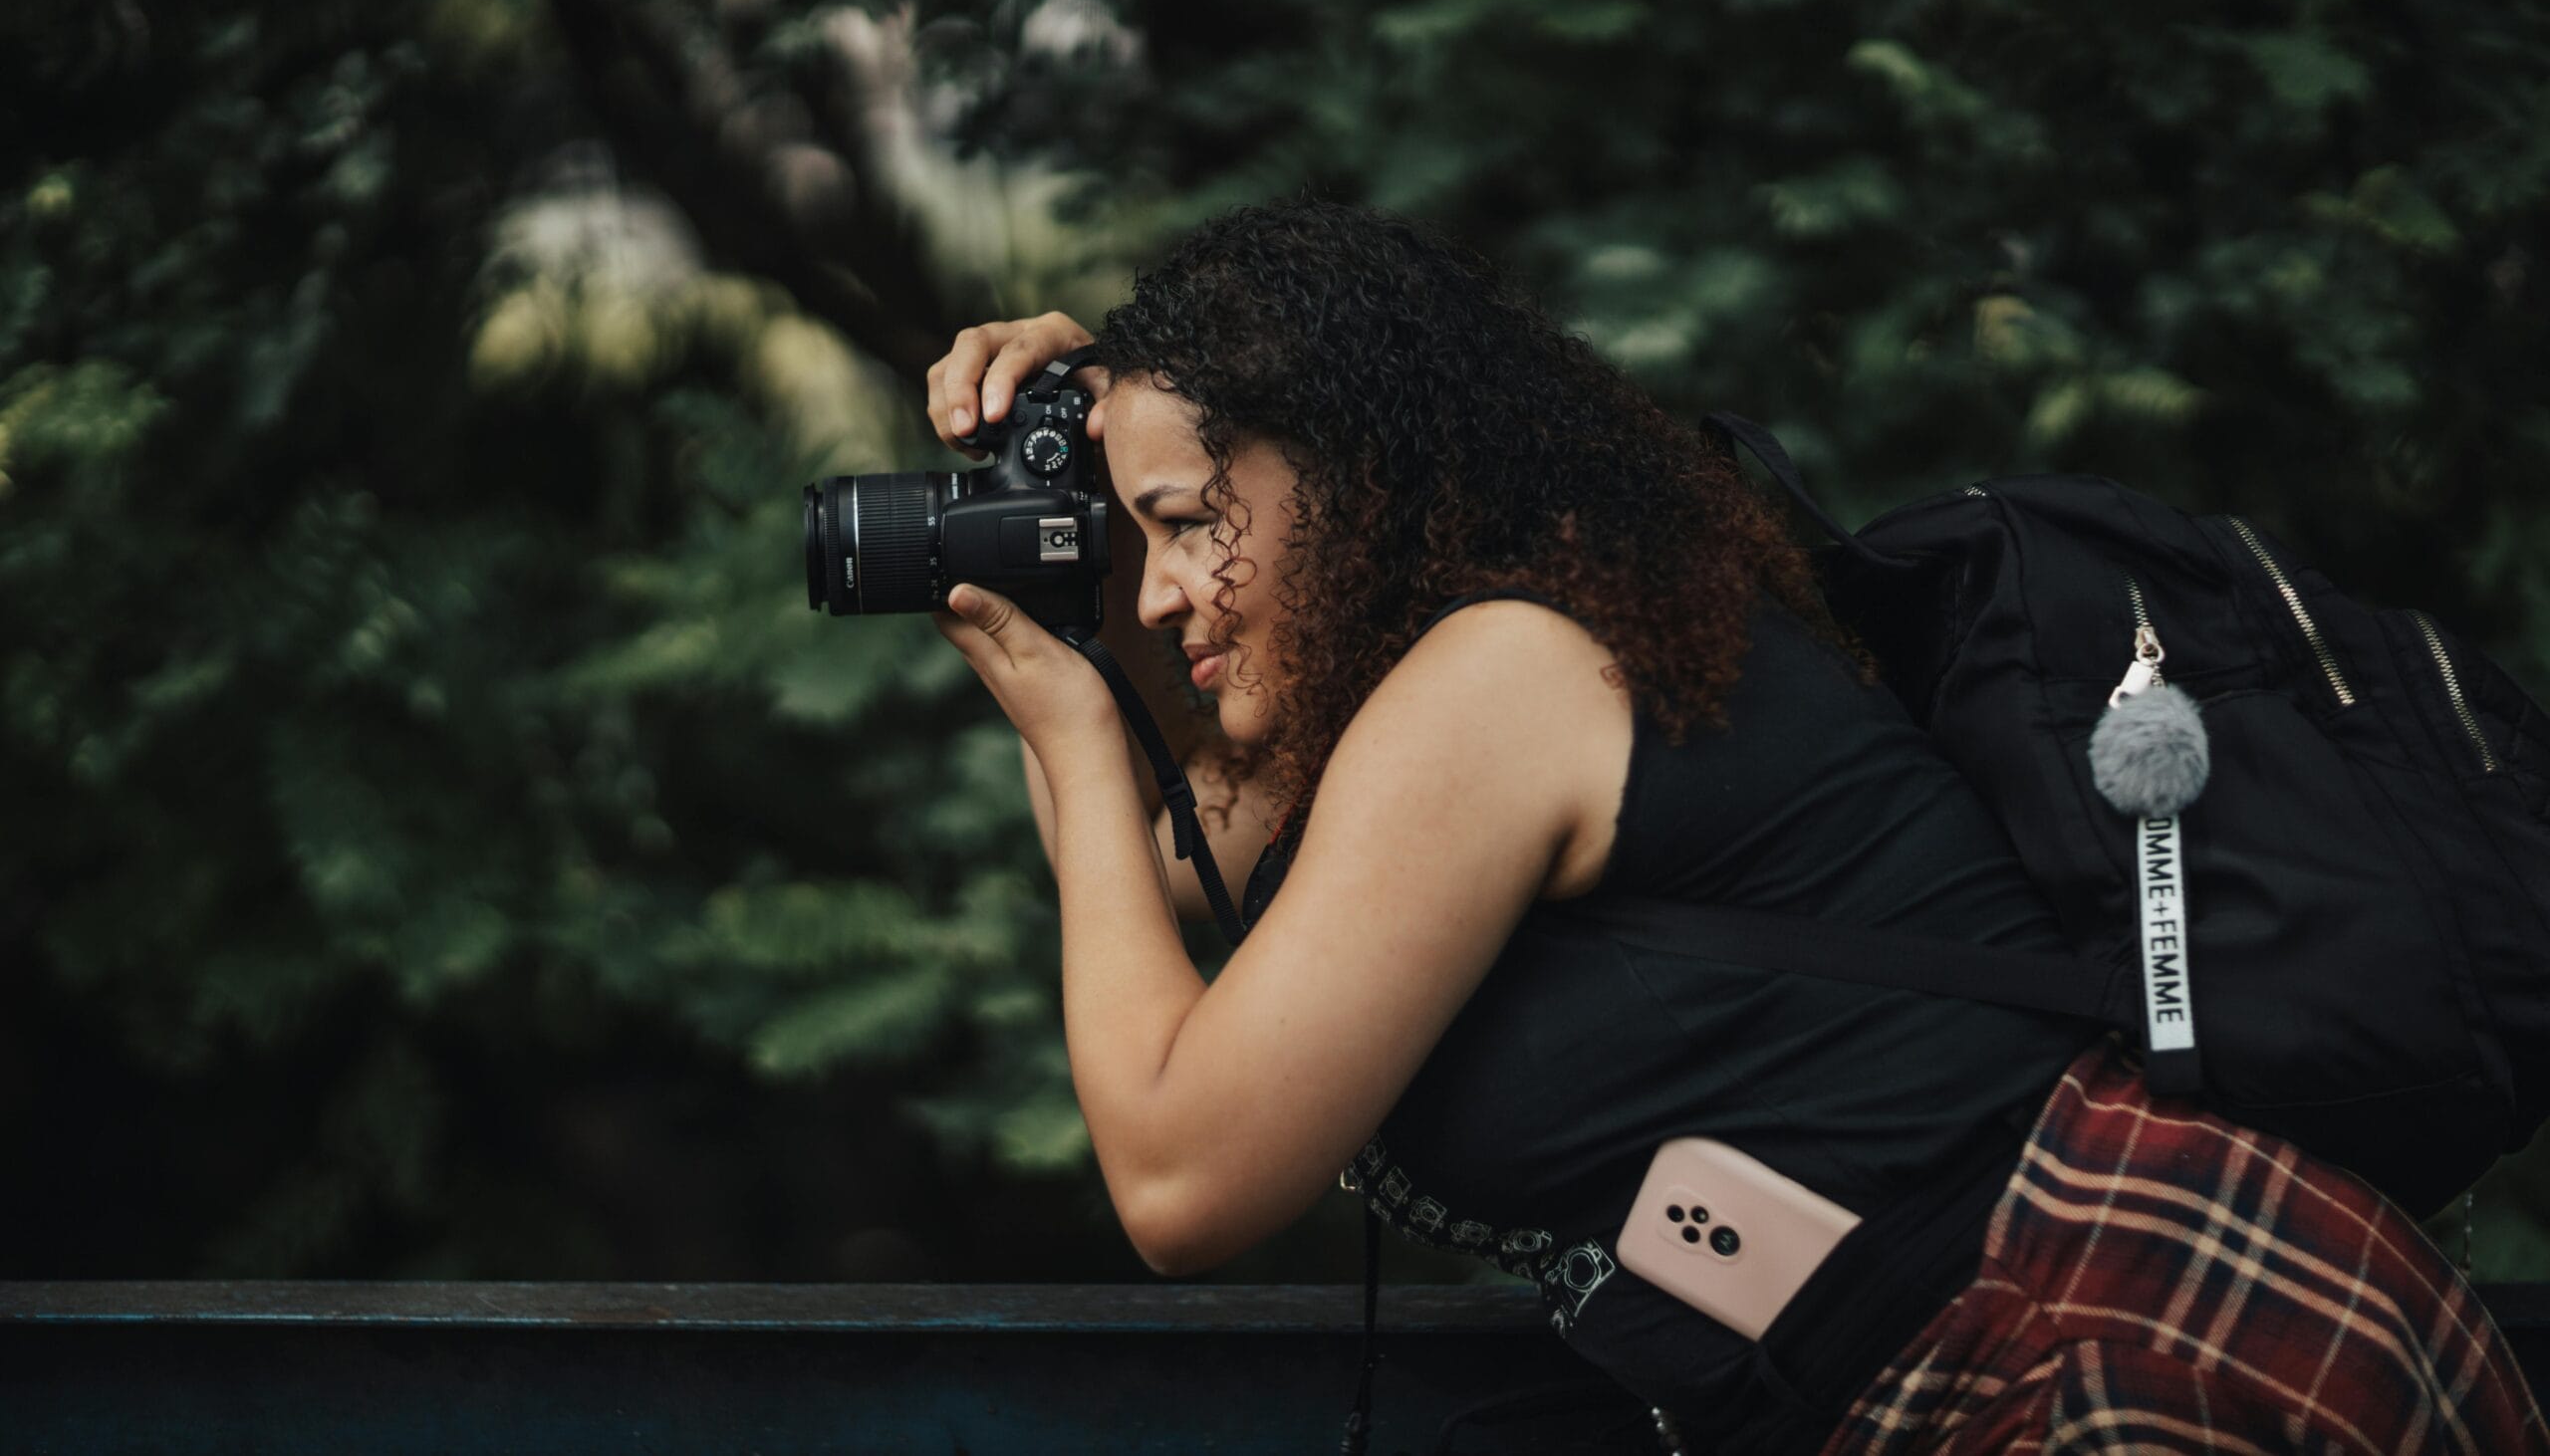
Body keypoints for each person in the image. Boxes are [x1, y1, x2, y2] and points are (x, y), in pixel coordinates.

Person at [924, 196, 2548, 1454]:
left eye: (1191, 525)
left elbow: (1179, 1175)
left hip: (2123, 1337)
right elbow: (1154, 873)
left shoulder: (1507, 673)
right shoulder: (1490, 666)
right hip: (2043, 1340)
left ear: (1351, 467)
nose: (1161, 590)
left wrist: (1074, 724)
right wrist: (1074, 533)